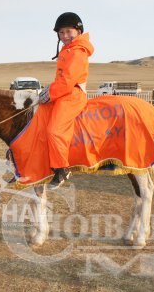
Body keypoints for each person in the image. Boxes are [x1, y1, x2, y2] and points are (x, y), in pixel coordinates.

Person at [39, 12, 95, 189]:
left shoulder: (78, 51)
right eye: (61, 33)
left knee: (55, 130)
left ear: (78, 31)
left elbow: (68, 81)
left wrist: (50, 93)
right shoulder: (69, 50)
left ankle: (62, 169)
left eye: (68, 31)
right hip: (64, 92)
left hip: (72, 94)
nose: (64, 36)